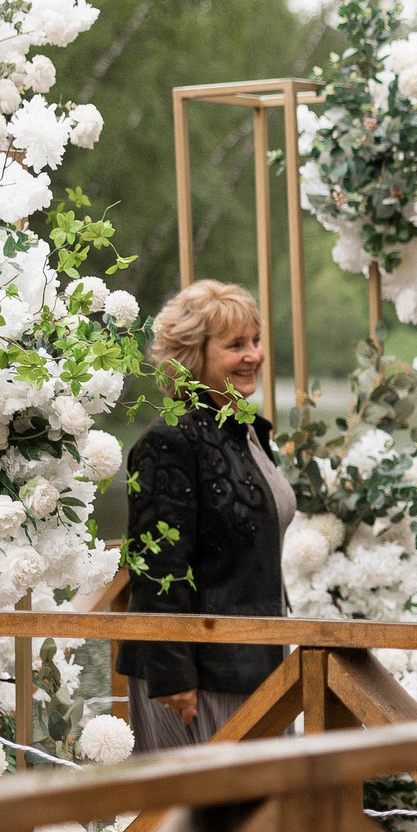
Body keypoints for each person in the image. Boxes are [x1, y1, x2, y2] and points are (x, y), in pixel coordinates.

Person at [114, 280, 295, 751]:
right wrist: (173, 675)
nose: (253, 355)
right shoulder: (170, 441)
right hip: (196, 677)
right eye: (235, 345)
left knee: (261, 818)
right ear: (194, 356)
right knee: (200, 822)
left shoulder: (248, 432)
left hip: (260, 660)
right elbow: (159, 566)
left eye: (255, 341)